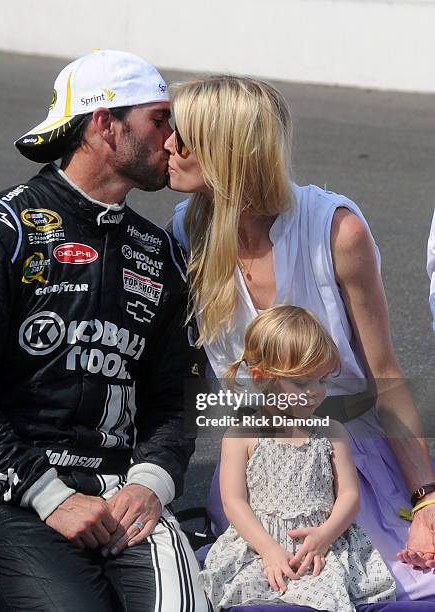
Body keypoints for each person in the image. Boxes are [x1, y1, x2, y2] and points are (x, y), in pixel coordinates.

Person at [0, 50, 209, 612]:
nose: (175, 139)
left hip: (126, 491)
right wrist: (49, 495)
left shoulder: (162, 254)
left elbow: (177, 398)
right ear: (105, 123)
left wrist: (151, 481)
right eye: (160, 119)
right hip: (13, 496)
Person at [168, 75, 435, 602]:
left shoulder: (335, 230)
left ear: (226, 149)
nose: (167, 146)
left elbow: (383, 374)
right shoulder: (187, 228)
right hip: (251, 477)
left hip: (347, 468)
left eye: (183, 136)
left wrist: (426, 500)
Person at [199, 305, 396, 611]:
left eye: (322, 381)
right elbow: (234, 502)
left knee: (326, 595)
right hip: (259, 545)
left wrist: (325, 535)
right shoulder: (243, 435)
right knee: (247, 594)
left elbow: (349, 495)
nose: (316, 392)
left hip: (319, 547)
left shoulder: (332, 432)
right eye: (303, 383)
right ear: (261, 376)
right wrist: (267, 549)